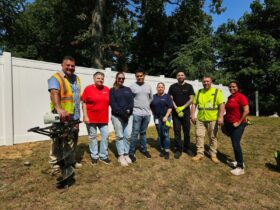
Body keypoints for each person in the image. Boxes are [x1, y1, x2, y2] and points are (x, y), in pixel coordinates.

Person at [47, 56, 82, 171]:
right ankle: (55, 163)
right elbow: (54, 93)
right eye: (68, 65)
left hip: (74, 115)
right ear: (62, 66)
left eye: (72, 66)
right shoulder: (56, 78)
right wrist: (59, 108)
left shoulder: (77, 79)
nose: (70, 68)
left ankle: (70, 160)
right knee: (56, 138)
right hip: (59, 115)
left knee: (72, 138)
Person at [191, 76, 225, 163]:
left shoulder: (217, 92)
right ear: (202, 82)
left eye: (207, 81)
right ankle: (199, 154)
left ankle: (213, 155)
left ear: (211, 82)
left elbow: (221, 105)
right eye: (204, 81)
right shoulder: (199, 92)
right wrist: (192, 115)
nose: (206, 83)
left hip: (213, 119)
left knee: (213, 137)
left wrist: (220, 117)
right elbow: (194, 104)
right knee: (199, 136)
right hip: (201, 119)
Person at [82, 71, 111, 165]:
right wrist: (85, 116)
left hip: (103, 118)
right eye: (98, 78)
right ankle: (94, 156)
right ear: (94, 79)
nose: (100, 80)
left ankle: (103, 156)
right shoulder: (88, 89)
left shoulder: (107, 89)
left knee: (105, 136)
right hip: (91, 118)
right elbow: (84, 102)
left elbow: (112, 102)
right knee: (92, 137)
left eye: (102, 78)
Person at [224, 81, 249, 175]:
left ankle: (240, 168)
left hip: (238, 124)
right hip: (229, 124)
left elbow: (246, 111)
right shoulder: (230, 97)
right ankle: (239, 161)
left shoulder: (241, 97)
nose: (231, 88)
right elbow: (229, 111)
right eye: (230, 87)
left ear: (238, 87)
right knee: (234, 143)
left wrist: (238, 122)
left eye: (234, 87)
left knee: (236, 144)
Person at [168, 71, 195, 159]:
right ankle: (178, 149)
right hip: (176, 113)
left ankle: (187, 148)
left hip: (186, 113)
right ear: (176, 77)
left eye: (182, 75)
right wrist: (176, 108)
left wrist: (183, 107)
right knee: (177, 131)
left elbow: (191, 99)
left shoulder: (189, 86)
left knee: (186, 131)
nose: (180, 76)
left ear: (185, 76)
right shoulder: (172, 86)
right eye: (179, 75)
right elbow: (170, 98)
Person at [129, 69, 153, 162]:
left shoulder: (148, 86)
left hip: (147, 114)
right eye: (137, 76)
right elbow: (129, 99)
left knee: (143, 133)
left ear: (144, 76)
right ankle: (131, 152)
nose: (139, 77)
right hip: (136, 113)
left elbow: (151, 98)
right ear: (136, 77)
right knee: (135, 133)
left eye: (141, 76)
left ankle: (144, 150)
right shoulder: (132, 86)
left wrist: (146, 106)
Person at [110, 72, 134, 166]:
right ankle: (120, 155)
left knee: (127, 136)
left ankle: (126, 154)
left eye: (123, 79)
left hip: (129, 116)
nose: (121, 80)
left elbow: (131, 102)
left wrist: (127, 112)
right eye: (119, 78)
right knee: (119, 136)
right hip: (117, 116)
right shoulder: (112, 90)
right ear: (116, 78)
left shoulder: (128, 89)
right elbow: (113, 104)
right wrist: (122, 114)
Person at [150, 82, 173, 159]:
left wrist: (166, 116)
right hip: (157, 118)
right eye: (159, 87)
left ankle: (166, 151)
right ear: (156, 88)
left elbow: (170, 107)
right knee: (160, 133)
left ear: (164, 88)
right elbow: (151, 106)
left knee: (165, 134)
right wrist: (154, 113)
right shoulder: (153, 97)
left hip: (166, 118)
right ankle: (162, 149)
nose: (160, 88)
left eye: (161, 87)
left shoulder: (167, 97)